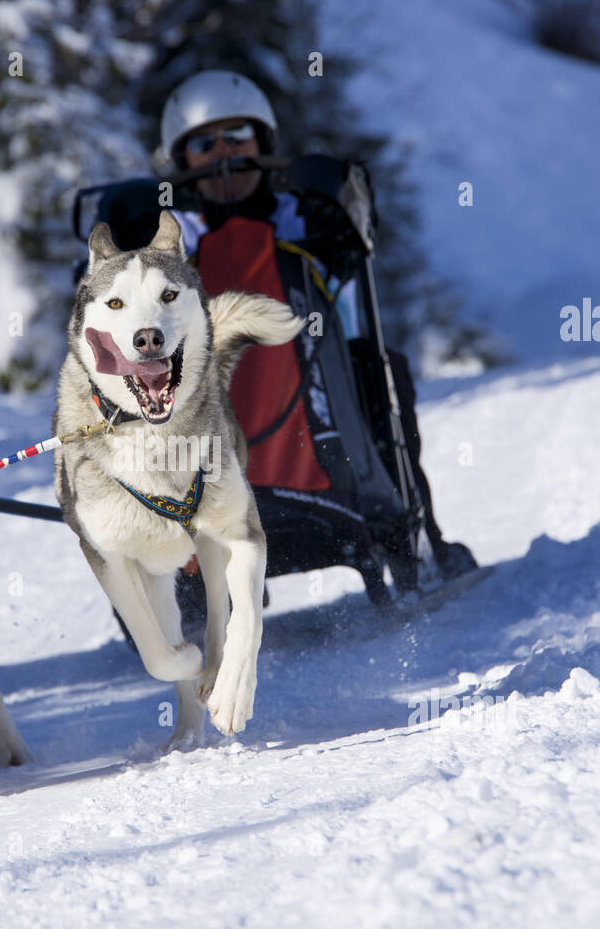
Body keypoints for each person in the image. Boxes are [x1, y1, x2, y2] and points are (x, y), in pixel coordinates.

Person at [159, 69, 478, 587]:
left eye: (236, 136)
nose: (222, 153)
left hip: (326, 413)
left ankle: (416, 534)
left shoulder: (305, 215)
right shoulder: (171, 237)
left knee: (381, 367)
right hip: (205, 440)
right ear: (183, 158)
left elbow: (354, 256)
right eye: (204, 143)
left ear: (262, 141)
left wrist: (336, 219)